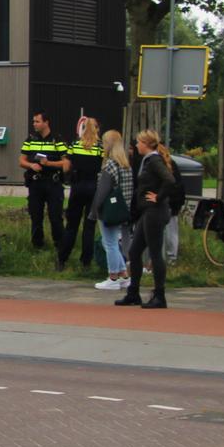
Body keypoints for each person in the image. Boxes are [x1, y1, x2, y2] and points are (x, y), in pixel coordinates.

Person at [116, 129, 172, 308]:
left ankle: (160, 295)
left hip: (154, 211)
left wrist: (159, 196)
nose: (136, 145)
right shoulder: (147, 160)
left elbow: (169, 180)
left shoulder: (154, 160)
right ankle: (133, 292)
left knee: (155, 253)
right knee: (134, 251)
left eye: (139, 142)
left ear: (147, 144)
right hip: (147, 212)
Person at [17, 112, 67, 263]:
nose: (34, 124)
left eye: (37, 121)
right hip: (36, 183)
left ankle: (60, 246)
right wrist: (31, 165)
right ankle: (37, 245)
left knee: (55, 216)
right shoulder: (30, 140)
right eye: (34, 122)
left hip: (53, 183)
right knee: (35, 215)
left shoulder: (57, 140)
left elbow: (66, 163)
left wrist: (49, 164)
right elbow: (21, 160)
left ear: (46, 122)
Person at [91, 129, 133, 292]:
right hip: (123, 209)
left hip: (108, 210)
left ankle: (113, 277)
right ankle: (124, 275)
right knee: (113, 242)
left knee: (109, 243)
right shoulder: (126, 165)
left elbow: (102, 192)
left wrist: (94, 211)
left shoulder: (109, 166)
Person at [60, 117, 104, 269]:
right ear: (96, 129)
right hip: (93, 187)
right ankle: (86, 262)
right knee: (89, 227)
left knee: (71, 225)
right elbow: (103, 167)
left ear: (83, 129)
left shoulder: (74, 145)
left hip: (77, 186)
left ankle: (62, 259)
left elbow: (66, 168)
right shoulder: (100, 147)